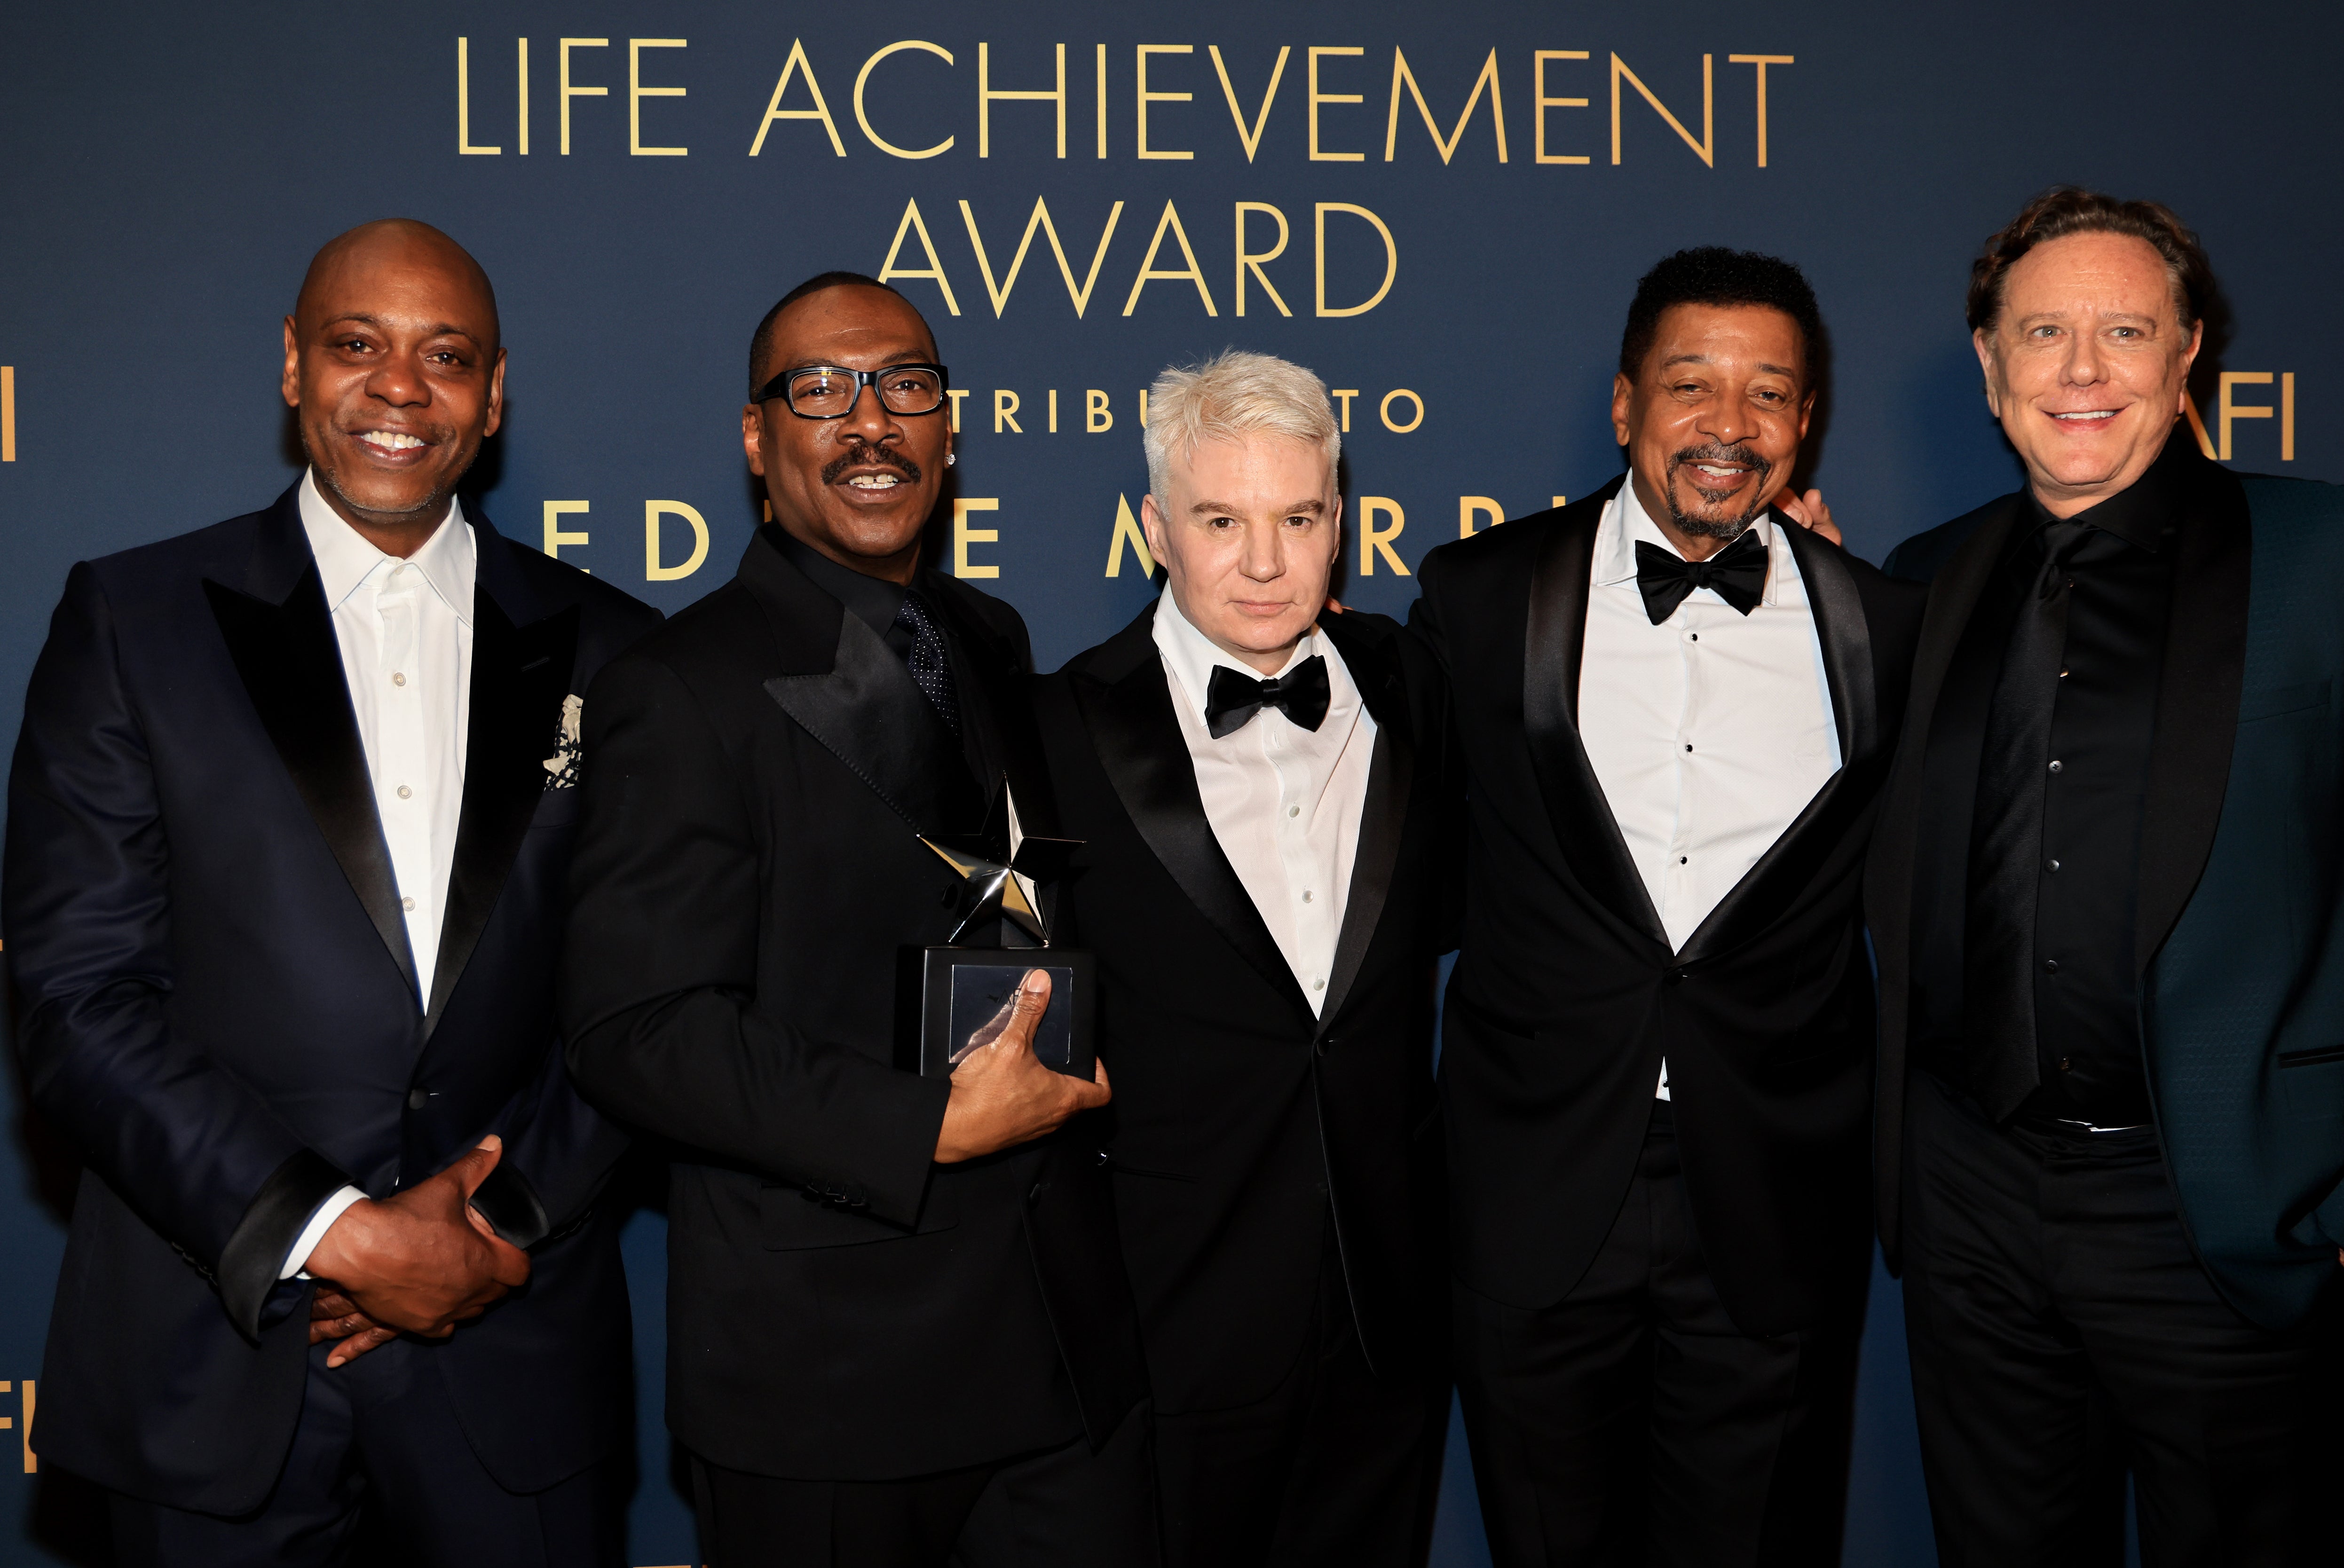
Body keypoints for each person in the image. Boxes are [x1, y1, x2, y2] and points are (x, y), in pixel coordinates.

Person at [4, 220, 658, 1564]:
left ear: (494, 394)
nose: (400, 386)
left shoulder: (618, 650)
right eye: (358, 344)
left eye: (447, 356)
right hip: (212, 1351)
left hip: (512, 1353)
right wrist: (336, 1233)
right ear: (294, 365)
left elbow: (644, 997)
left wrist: (480, 1230)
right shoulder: (134, 621)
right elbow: (77, 995)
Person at [560, 272, 1152, 1568]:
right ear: (757, 437)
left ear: (950, 428)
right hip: (831, 1379)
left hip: (1061, 1350)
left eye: (906, 386)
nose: (871, 421)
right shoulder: (679, 686)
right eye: (821, 390)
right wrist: (926, 1124)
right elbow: (638, 1032)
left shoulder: (988, 635)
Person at [1411, 248, 1925, 1566]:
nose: (1728, 424)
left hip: (1772, 1196)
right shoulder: (1477, 596)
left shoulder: (1884, 626)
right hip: (1534, 1188)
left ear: (1806, 420)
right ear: (1626, 404)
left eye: (1769, 392)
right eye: (1692, 384)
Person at [1869, 187, 2344, 1564]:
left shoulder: (2326, 558)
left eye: (2125, 331)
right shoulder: (1924, 577)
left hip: (2225, 1207)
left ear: (2187, 352)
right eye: (2043, 333)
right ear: (1990, 364)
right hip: (1969, 1203)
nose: (2082, 370)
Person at [1028, 351, 1452, 1566]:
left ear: (1341, 524)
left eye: (1299, 519)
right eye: (1222, 521)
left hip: (1384, 1310)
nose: (1265, 562)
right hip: (1168, 1316)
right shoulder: (1055, 727)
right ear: (1156, 529)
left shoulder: (1413, 684)